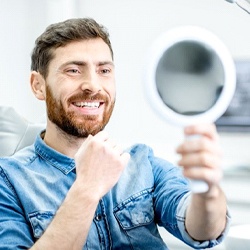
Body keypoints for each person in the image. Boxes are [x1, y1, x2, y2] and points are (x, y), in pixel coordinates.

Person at [0, 18, 230, 250]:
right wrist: (87, 189)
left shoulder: (142, 163)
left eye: (104, 70)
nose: (93, 85)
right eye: (73, 70)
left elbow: (202, 230)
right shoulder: (7, 181)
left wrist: (207, 190)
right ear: (38, 85)